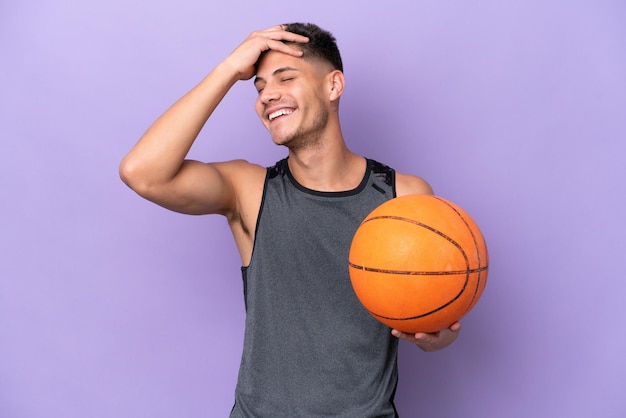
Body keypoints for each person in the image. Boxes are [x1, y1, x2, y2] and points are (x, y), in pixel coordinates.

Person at [120, 22, 461, 417]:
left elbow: (440, 314)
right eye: (260, 86)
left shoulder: (404, 196)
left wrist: (437, 337)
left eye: (286, 78)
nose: (268, 95)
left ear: (333, 86)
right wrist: (230, 68)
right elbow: (141, 172)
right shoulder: (249, 192)